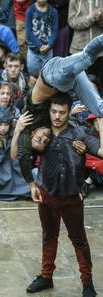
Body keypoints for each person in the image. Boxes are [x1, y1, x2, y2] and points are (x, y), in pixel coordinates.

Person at [24, 93, 102, 297]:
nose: (57, 116)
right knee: (48, 236)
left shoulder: (79, 134)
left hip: (71, 197)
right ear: (49, 111)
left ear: (69, 112)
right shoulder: (43, 132)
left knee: (79, 241)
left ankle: (87, 283)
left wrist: (101, 121)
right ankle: (46, 275)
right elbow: (20, 154)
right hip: (47, 194)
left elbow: (102, 150)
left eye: (62, 112)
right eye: (54, 112)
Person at [12, 34, 103, 185]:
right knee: (100, 110)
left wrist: (31, 184)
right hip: (70, 83)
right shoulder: (54, 124)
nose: (44, 138)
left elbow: (19, 156)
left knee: (87, 57)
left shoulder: (27, 122)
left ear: (32, 133)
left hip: (52, 75)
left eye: (39, 139)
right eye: (45, 142)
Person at [68, 0, 103, 86]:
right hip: (79, 49)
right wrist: (91, 18)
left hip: (100, 50)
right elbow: (72, 22)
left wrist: (100, 19)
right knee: (82, 85)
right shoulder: (74, 1)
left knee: (99, 83)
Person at [25, 0, 58, 78]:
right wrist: (39, 45)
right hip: (33, 50)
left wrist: (49, 45)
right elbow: (28, 31)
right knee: (33, 74)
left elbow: (55, 30)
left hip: (48, 50)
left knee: (47, 75)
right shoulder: (30, 10)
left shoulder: (53, 12)